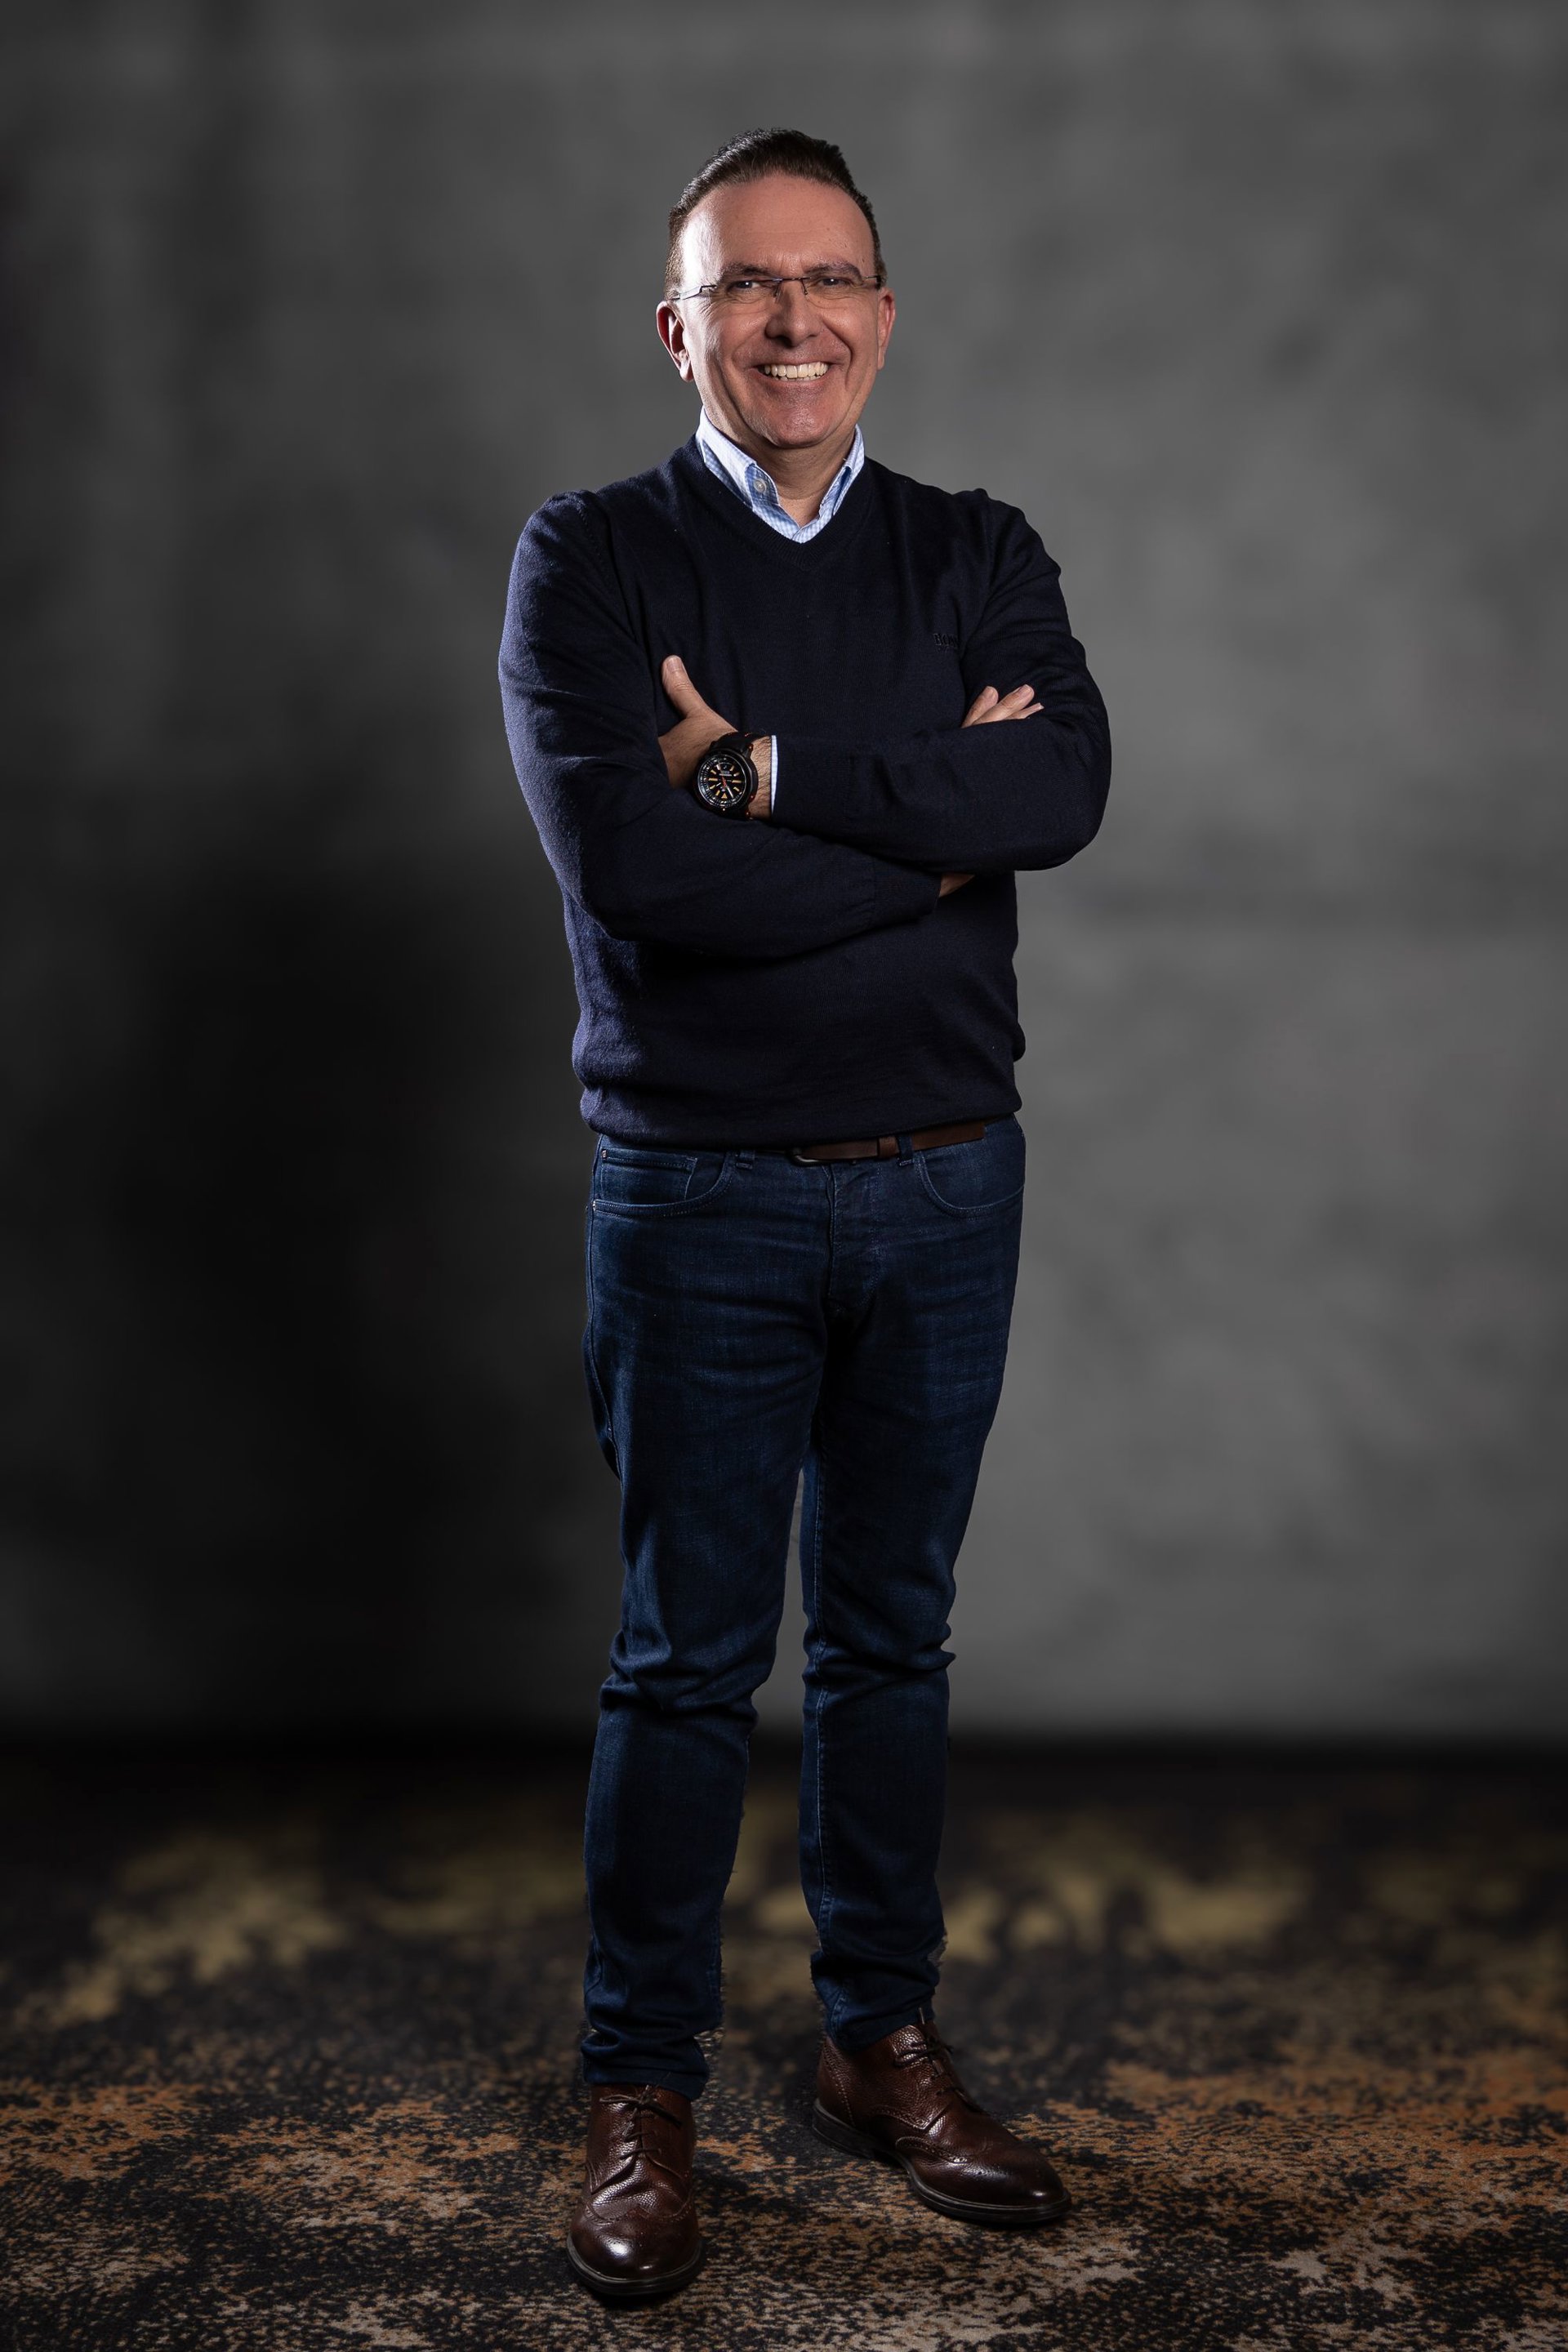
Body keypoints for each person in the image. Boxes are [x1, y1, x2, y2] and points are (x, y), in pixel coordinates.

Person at [499, 127, 1110, 2300]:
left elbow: (1058, 789)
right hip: (703, 1196)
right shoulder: (590, 564)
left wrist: (759, 775)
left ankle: (879, 2043)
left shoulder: (976, 549)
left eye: (829, 278)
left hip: (948, 1182)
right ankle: (638, 2092)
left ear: (883, 315)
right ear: (676, 327)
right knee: (684, 1661)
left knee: (891, 1640)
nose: (792, 319)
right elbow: (644, 882)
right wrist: (929, 835)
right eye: (745, 285)